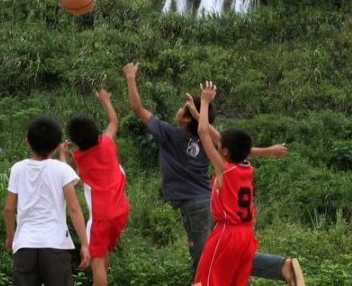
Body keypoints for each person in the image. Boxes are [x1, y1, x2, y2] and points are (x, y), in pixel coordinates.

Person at [123, 62, 304, 286]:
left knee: (204, 263)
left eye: (182, 108)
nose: (179, 110)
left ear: (188, 118)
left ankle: (279, 267)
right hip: (212, 205)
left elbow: (137, 108)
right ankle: (280, 266)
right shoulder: (235, 160)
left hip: (197, 205)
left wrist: (131, 77)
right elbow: (233, 145)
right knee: (227, 258)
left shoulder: (173, 135)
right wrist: (270, 150)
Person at [4, 116, 91, 286]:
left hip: (25, 244)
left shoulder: (17, 169)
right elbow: (74, 209)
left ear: (28, 142)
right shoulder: (62, 170)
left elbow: (8, 208)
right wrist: (85, 244)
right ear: (56, 144)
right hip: (55, 244)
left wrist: (11, 236)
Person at [192, 81, 258, 286]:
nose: (217, 144)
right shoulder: (245, 167)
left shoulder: (225, 169)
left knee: (209, 281)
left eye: (220, 145)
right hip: (247, 235)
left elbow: (203, 132)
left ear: (225, 151)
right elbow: (217, 136)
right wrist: (198, 112)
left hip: (227, 233)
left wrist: (204, 102)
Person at [66, 90, 131, 286]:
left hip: (100, 217)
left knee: (97, 260)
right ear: (95, 130)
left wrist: (62, 154)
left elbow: (65, 173)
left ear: (75, 140)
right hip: (121, 211)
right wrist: (106, 101)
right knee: (103, 254)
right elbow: (113, 122)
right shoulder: (107, 143)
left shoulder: (79, 156)